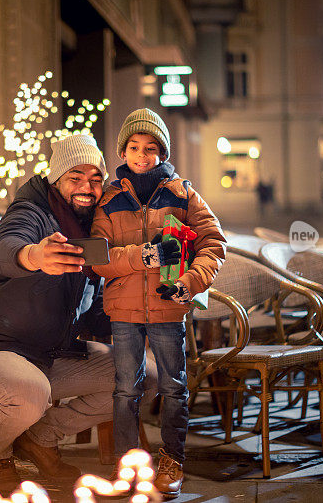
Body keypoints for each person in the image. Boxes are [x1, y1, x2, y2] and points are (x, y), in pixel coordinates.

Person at [0, 134, 156, 494]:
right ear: (56, 178)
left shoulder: (93, 230)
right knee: (30, 391)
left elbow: (95, 312)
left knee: (142, 374)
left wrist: (148, 306)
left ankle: (41, 437)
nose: (86, 187)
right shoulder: (31, 211)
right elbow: (5, 247)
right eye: (75, 177)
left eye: (94, 178)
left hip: (49, 356)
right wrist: (34, 256)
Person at [91, 109, 227, 499]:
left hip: (169, 308)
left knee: (173, 386)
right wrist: (145, 255)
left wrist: (190, 281)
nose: (141, 155)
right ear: (122, 151)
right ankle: (127, 464)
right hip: (124, 311)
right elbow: (99, 258)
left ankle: (172, 462)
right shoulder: (110, 198)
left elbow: (212, 243)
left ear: (162, 151)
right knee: (125, 390)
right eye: (134, 147)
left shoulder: (182, 194)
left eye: (151, 148)